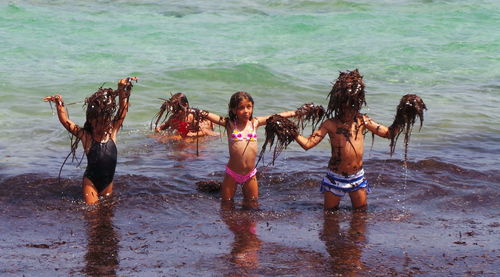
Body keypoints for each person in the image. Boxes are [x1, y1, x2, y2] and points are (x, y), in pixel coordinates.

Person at [294, 69, 399, 210]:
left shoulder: (362, 121)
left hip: (357, 178)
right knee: (329, 217)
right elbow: (308, 144)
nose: (350, 109)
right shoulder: (330, 124)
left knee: (361, 215)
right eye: (346, 106)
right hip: (335, 178)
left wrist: (401, 117)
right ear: (339, 105)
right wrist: (292, 132)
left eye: (353, 105)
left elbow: (388, 134)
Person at [43, 77, 138, 204]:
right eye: (98, 123)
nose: (102, 126)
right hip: (90, 183)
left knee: (107, 213)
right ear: (91, 121)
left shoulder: (112, 132)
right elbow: (65, 121)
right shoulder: (86, 136)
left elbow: (123, 110)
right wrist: (59, 103)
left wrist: (121, 89)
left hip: (108, 182)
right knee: (92, 214)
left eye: (105, 122)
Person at [203, 91, 297, 206]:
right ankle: (231, 224)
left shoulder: (254, 123)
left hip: (250, 175)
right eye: (241, 108)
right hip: (232, 174)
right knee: (226, 205)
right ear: (233, 110)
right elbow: (213, 117)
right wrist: (198, 112)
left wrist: (294, 113)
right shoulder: (230, 124)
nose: (246, 111)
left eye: (249, 107)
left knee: (252, 204)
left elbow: (275, 116)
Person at [153, 92, 217, 139]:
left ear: (186, 105)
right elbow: (165, 125)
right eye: (174, 111)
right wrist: (159, 129)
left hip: (206, 127)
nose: (176, 113)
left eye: (178, 111)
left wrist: (192, 134)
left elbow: (204, 131)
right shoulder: (173, 117)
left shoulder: (191, 117)